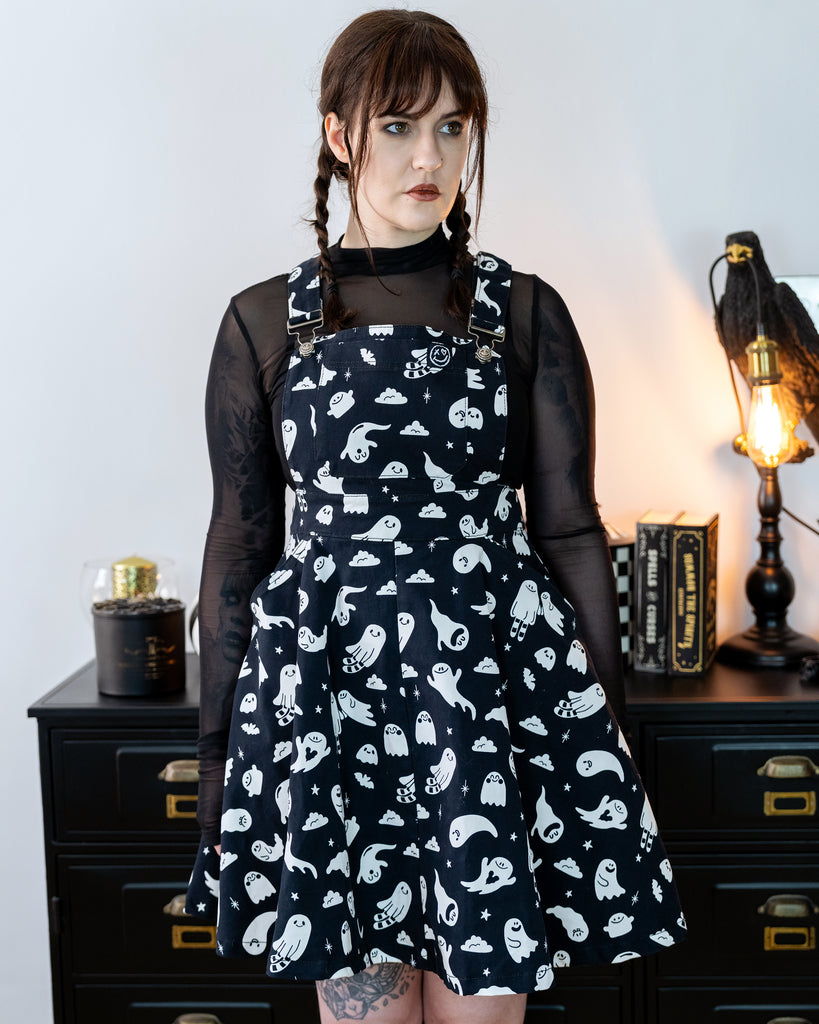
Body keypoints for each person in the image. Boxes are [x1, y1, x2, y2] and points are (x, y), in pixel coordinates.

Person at [185, 10, 686, 1023]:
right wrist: (218, 755)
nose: (431, 157)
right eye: (400, 126)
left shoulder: (523, 311)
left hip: (490, 700)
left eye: (454, 128)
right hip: (328, 705)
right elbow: (240, 543)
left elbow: (569, 531)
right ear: (340, 136)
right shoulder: (264, 321)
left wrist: (605, 725)